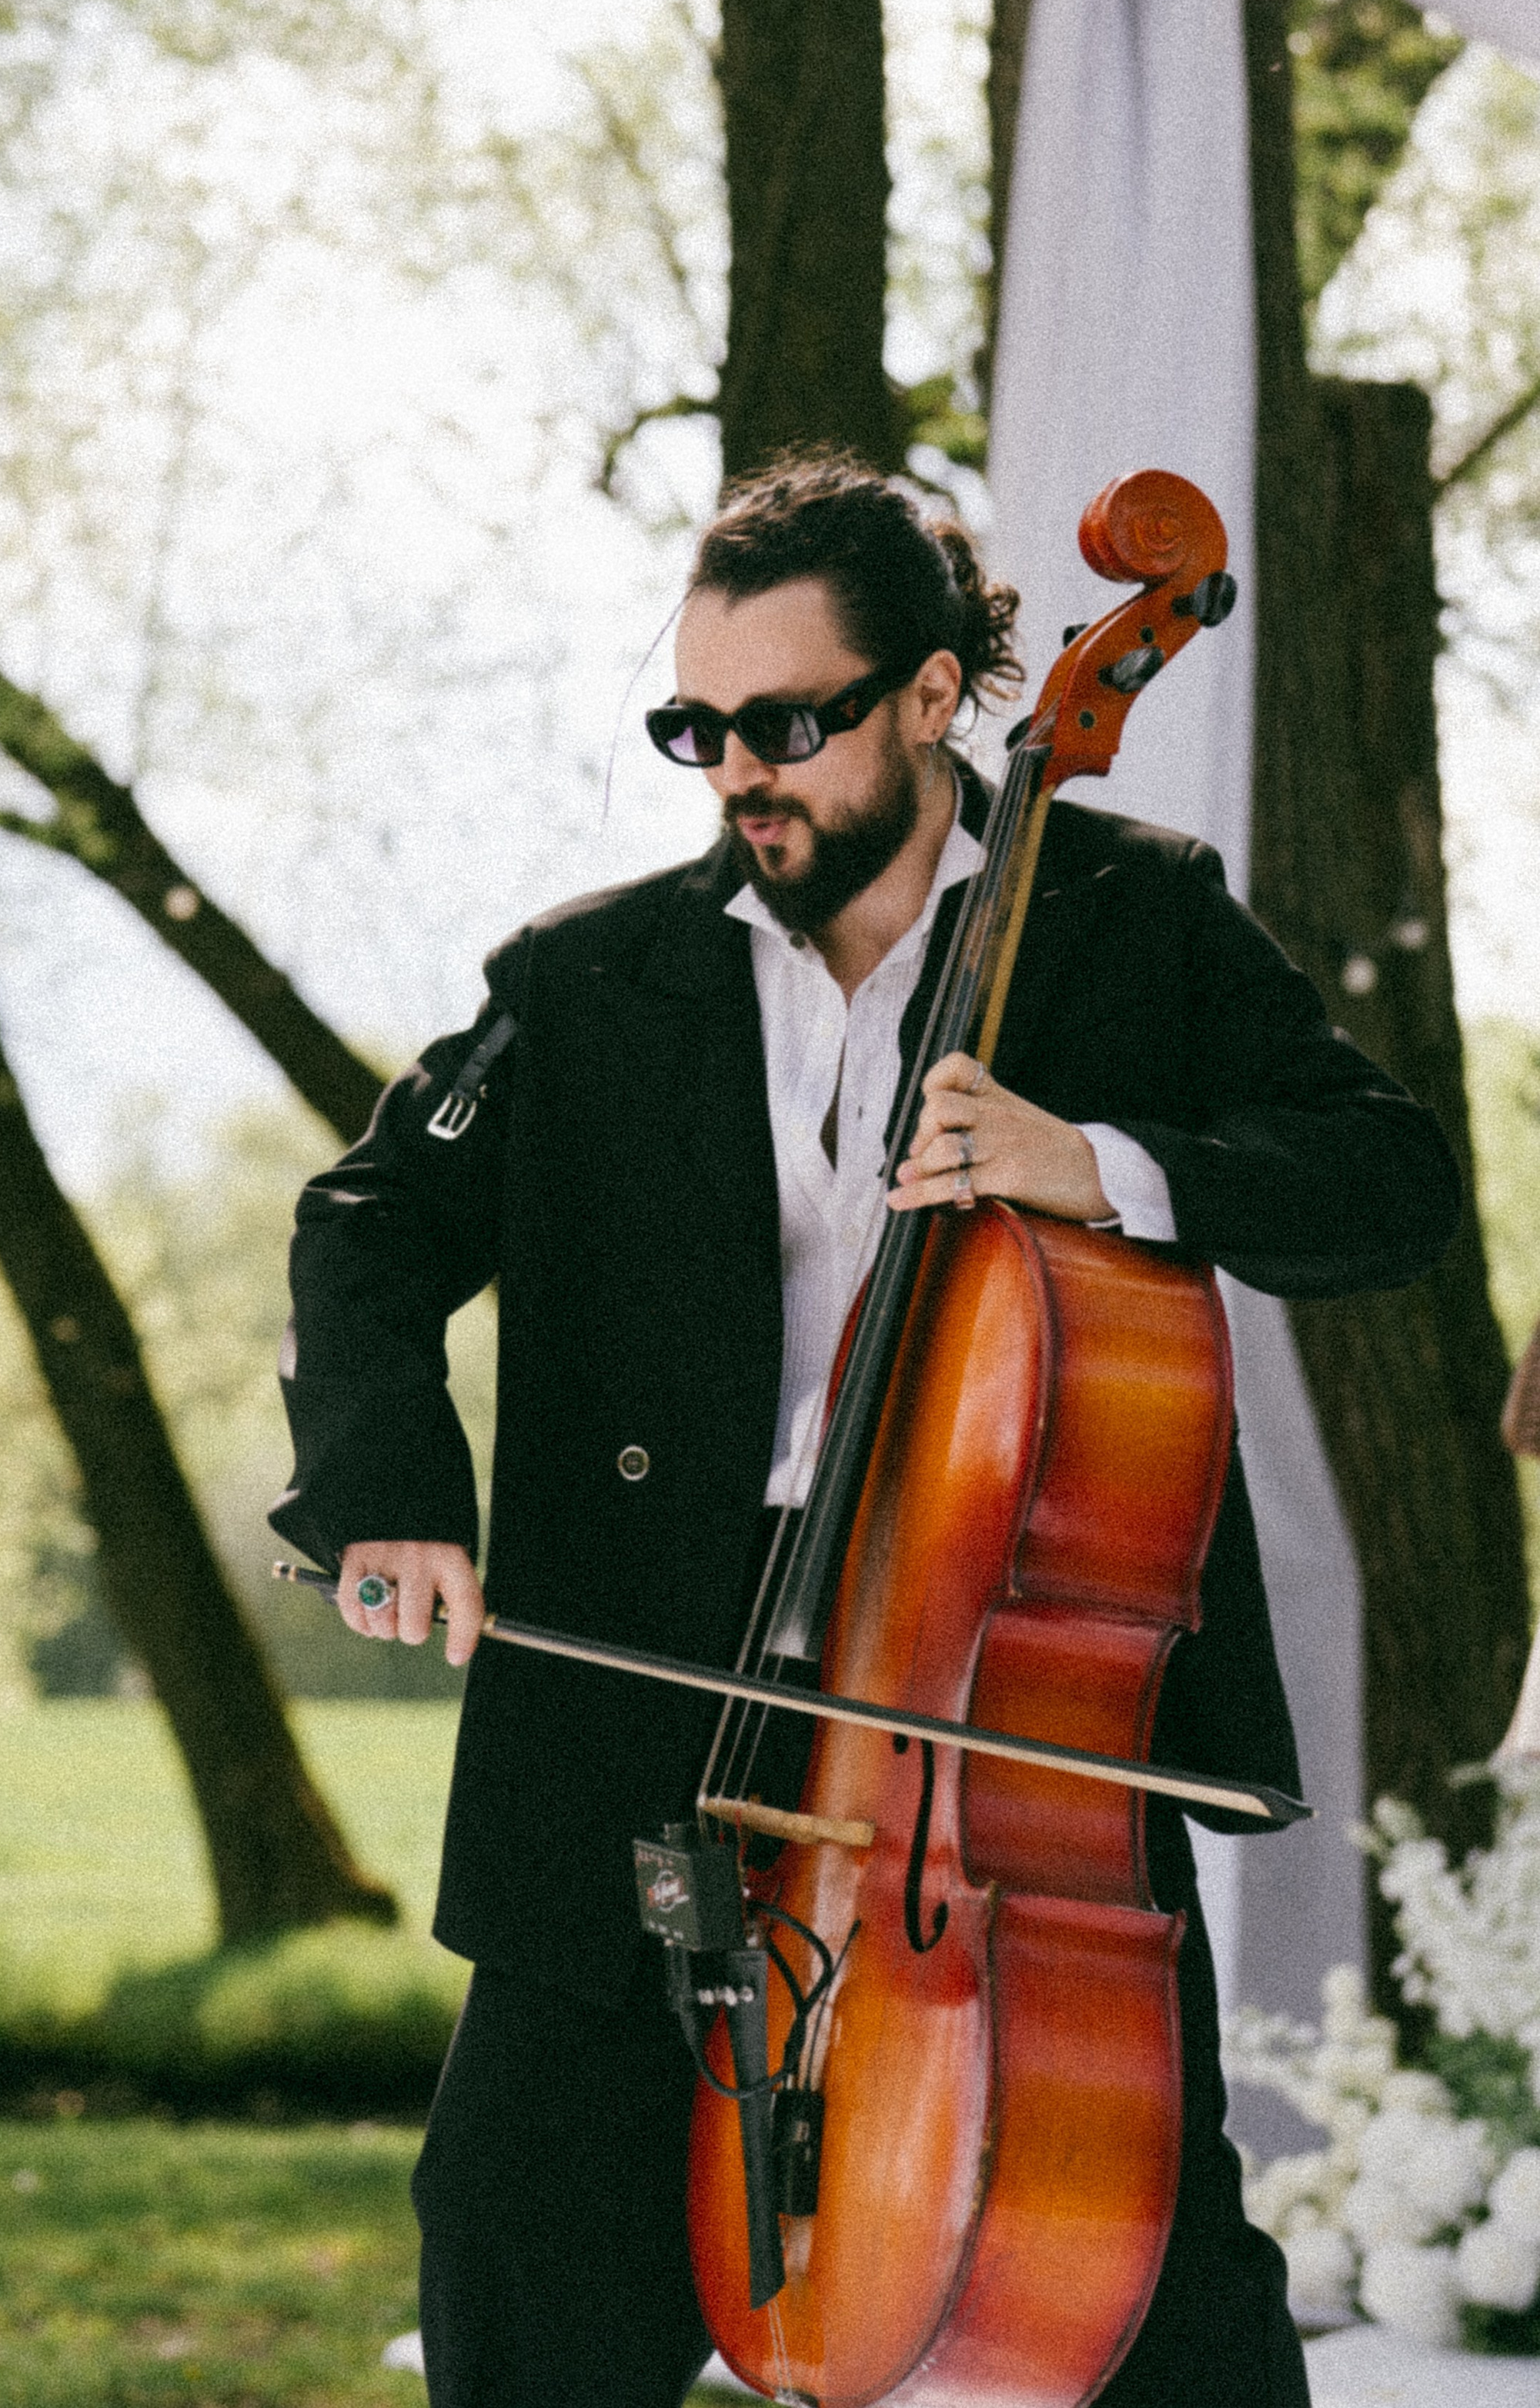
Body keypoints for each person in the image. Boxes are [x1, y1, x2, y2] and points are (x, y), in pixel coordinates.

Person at [272, 454, 1460, 2408]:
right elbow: (372, 1224)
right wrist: (393, 1492)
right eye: (697, 730)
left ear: (930, 695)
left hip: (995, 1725)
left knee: (1156, 2313)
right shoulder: (586, 979)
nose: (737, 775)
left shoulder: (1125, 919)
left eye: (785, 725)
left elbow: (1384, 1181)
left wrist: (1103, 1168)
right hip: (644, 1700)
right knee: (514, 2268)